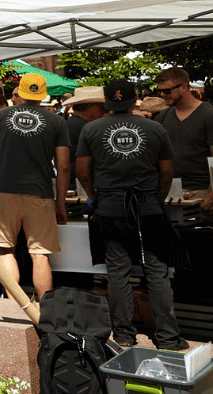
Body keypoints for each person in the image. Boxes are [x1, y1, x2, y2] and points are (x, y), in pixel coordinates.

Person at [74, 79, 187, 350]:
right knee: (157, 272)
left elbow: (82, 171)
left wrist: (94, 195)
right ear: (134, 98)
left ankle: (124, 335)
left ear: (107, 101)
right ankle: (168, 337)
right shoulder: (155, 128)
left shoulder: (91, 129)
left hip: (110, 209)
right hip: (148, 207)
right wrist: (156, 198)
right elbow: (167, 172)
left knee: (118, 272)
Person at [0, 73, 70, 301]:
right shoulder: (57, 121)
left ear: (19, 92)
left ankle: (15, 309)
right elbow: (63, 166)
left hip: (4, 190)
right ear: (42, 95)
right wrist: (60, 203)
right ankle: (46, 313)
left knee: (6, 250)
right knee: (39, 255)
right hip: (39, 192)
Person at [153, 68, 213, 209]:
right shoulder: (164, 115)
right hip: (171, 191)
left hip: (201, 191)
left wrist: (211, 195)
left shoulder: (208, 114)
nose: (162, 95)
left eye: (167, 91)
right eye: (159, 90)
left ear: (184, 87)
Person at [62, 87, 107, 195]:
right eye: (100, 107)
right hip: (81, 184)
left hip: (76, 182)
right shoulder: (85, 128)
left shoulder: (72, 123)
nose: (102, 111)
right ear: (89, 107)